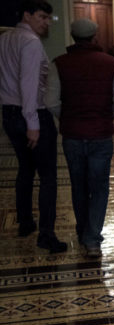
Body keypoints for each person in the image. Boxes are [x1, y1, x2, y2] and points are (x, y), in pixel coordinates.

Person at [44, 18, 114, 258]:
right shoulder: (110, 63)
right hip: (100, 135)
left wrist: (68, 118)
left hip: (72, 135)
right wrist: (105, 116)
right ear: (95, 37)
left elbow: (50, 101)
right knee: (99, 188)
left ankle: (83, 231)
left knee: (78, 185)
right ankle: (92, 240)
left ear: (73, 37)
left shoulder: (59, 63)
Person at [0, 0, 67, 253]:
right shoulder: (30, 42)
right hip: (32, 114)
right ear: (26, 15)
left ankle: (25, 222)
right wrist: (33, 124)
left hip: (9, 113)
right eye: (42, 17)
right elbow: (28, 85)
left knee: (25, 169)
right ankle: (46, 235)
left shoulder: (4, 38)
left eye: (49, 18)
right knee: (48, 176)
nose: (47, 22)